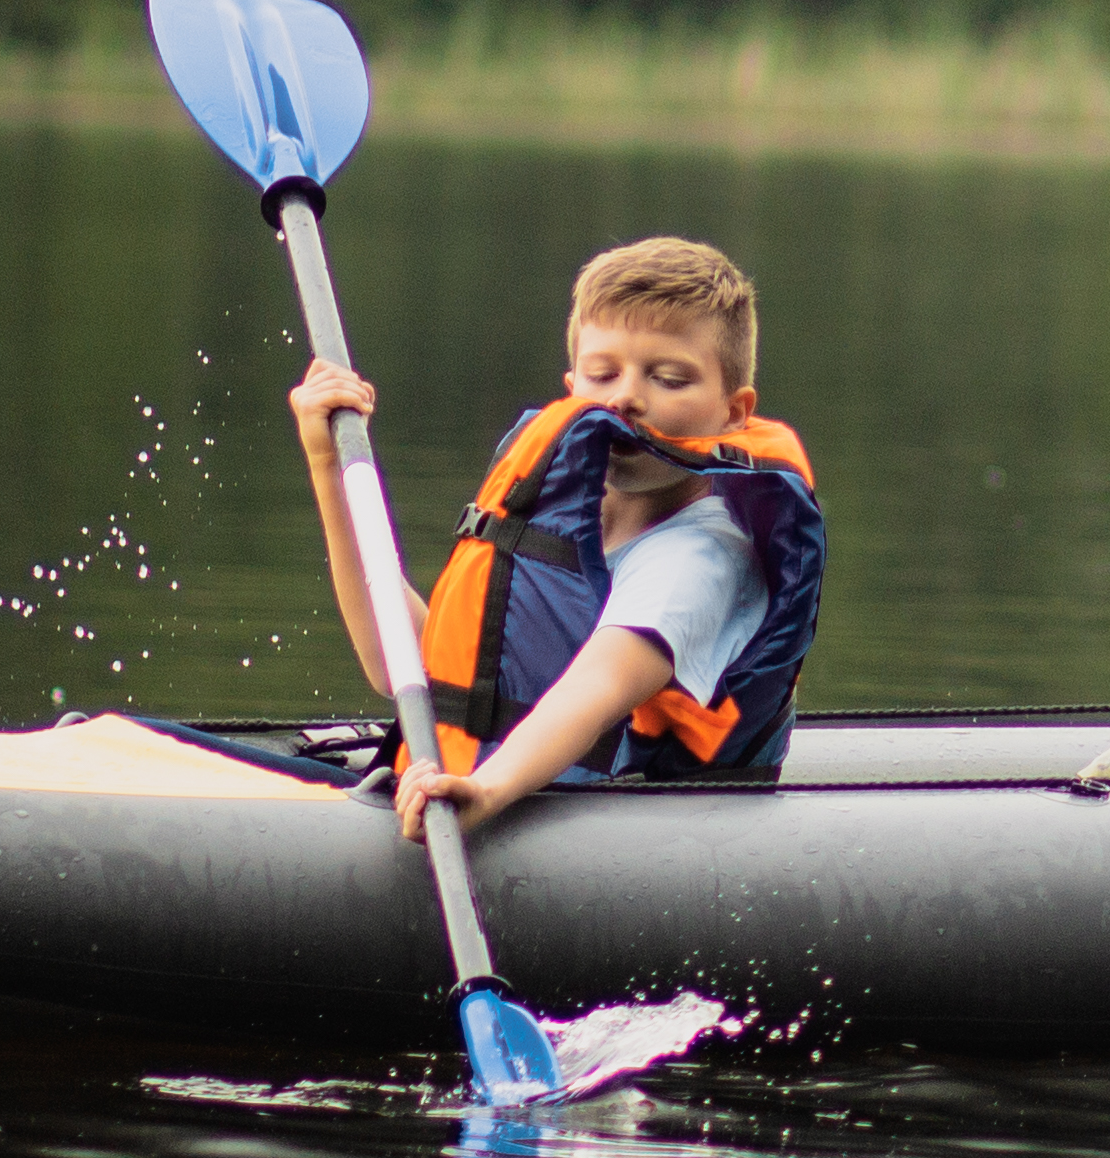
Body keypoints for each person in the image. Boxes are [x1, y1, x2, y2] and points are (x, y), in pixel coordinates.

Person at [290, 234, 826, 843]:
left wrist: (487, 791)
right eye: (603, 373)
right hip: (524, 784)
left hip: (636, 836)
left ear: (736, 412)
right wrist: (327, 466)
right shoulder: (565, 515)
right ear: (572, 386)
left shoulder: (703, 559)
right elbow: (401, 664)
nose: (626, 396)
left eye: (670, 378)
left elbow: (600, 688)